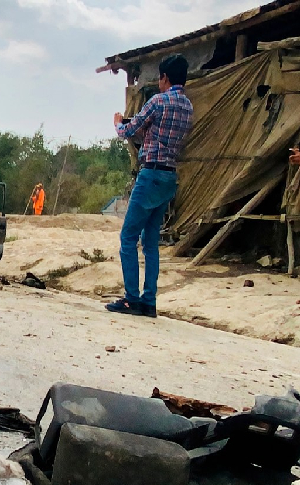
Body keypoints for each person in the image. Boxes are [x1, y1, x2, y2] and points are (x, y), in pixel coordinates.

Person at [107, 54, 193, 318]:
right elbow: (163, 136)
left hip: (151, 173)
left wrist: (117, 123)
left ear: (164, 78)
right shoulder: (187, 107)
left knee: (128, 237)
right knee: (151, 242)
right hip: (169, 177)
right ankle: (149, 300)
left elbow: (129, 130)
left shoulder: (158, 101)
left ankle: (131, 298)